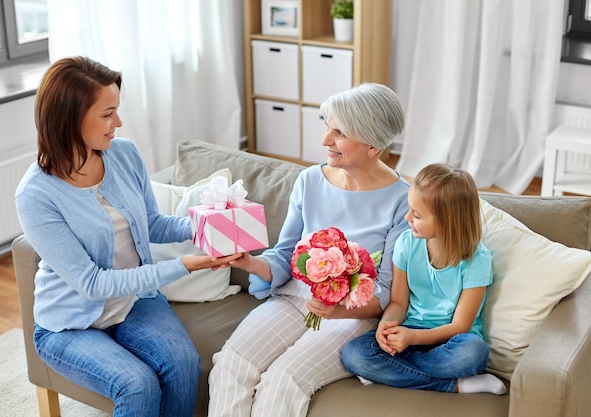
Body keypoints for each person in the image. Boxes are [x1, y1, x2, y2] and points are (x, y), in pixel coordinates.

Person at [14, 56, 241, 417]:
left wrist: (208, 227)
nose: (118, 122)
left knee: (184, 364)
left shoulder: (125, 154)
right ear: (71, 117)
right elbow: (91, 283)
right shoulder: (36, 195)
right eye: (107, 114)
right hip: (70, 324)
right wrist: (184, 266)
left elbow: (151, 224)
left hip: (135, 301)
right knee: (136, 384)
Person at [207, 83, 411, 417]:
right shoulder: (310, 181)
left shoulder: (403, 200)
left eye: (339, 132)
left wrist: (338, 312)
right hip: (292, 298)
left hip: (351, 315)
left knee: (283, 381)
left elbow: (387, 291)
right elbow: (286, 252)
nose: (325, 140)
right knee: (231, 364)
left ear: (372, 144)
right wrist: (253, 264)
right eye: (327, 126)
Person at [341, 163, 507, 395]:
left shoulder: (477, 260)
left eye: (417, 215)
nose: (408, 217)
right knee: (355, 354)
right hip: (409, 330)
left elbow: (461, 325)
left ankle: (393, 374)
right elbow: (399, 302)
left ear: (447, 221)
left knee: (473, 352)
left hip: (451, 340)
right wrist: (385, 327)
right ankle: (454, 385)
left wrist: (413, 337)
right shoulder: (407, 243)